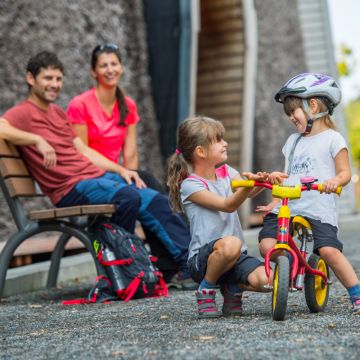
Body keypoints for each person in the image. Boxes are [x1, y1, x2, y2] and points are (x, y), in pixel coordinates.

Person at [0, 50, 196, 290]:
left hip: (94, 178)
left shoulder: (57, 113)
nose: (54, 85)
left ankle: (191, 264)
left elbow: (82, 149)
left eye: (58, 79)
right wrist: (36, 140)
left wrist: (121, 170)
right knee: (129, 197)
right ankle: (127, 268)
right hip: (71, 188)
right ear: (31, 79)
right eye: (48, 78)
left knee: (152, 196)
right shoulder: (23, 113)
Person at [65, 43, 192, 288]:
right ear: (93, 72)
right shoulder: (80, 105)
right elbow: (82, 152)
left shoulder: (128, 105)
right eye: (104, 65)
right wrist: (123, 175)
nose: (110, 69)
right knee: (151, 196)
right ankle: (179, 261)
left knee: (150, 187)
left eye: (114, 64)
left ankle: (176, 263)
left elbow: (130, 152)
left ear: (121, 67)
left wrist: (130, 176)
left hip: (117, 174)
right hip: (94, 176)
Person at [257, 73, 360, 314]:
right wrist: (274, 196)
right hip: (289, 206)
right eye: (289, 114)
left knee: (328, 251)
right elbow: (287, 176)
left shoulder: (332, 139)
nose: (291, 117)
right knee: (267, 245)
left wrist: (335, 181)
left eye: (294, 111)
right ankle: (289, 264)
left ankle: (356, 293)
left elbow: (345, 172)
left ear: (312, 106)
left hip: (317, 208)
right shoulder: (292, 142)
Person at [167, 116, 285, 318]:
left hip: (235, 256)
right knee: (231, 244)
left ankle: (232, 287)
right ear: (201, 152)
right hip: (203, 261)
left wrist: (262, 181)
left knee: (268, 281)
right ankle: (206, 288)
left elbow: (244, 194)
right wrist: (247, 186)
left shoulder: (227, 172)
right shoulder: (191, 185)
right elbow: (228, 205)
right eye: (218, 140)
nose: (225, 143)